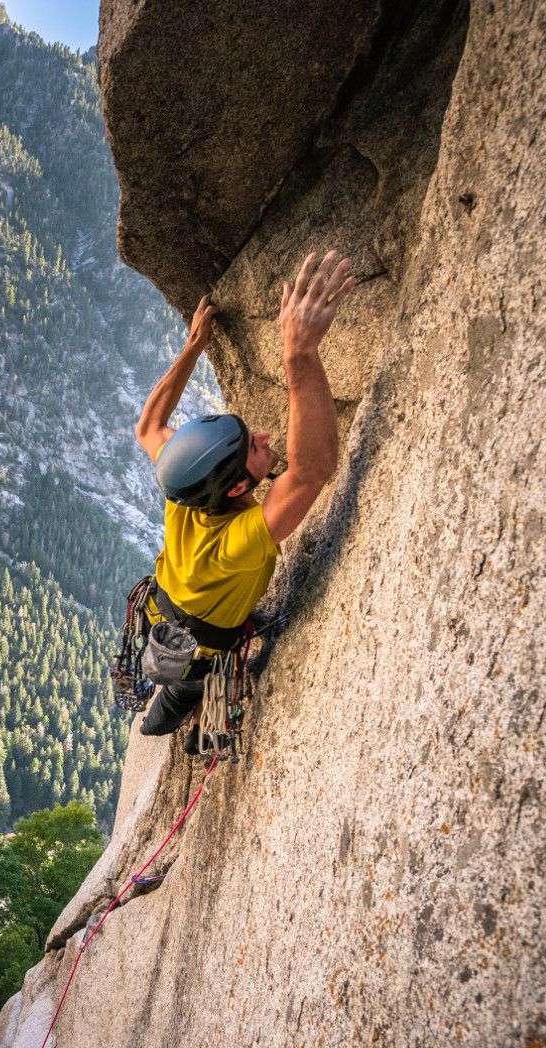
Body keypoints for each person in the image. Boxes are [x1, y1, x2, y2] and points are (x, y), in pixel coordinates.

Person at [131, 250, 356, 738]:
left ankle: (165, 703)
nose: (264, 439)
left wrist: (194, 346)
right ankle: (174, 708)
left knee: (170, 676)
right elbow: (311, 470)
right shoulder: (235, 544)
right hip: (198, 652)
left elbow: (148, 428)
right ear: (235, 488)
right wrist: (299, 353)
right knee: (180, 693)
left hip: (161, 616)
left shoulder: (184, 489)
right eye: (251, 448)